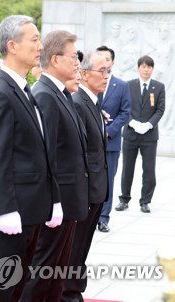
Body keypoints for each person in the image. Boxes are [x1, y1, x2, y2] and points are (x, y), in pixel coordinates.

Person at [0, 15, 59, 302]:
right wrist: (6, 210)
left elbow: (38, 151)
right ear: (13, 45)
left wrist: (53, 199)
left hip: (29, 208)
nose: (40, 46)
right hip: (8, 214)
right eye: (34, 39)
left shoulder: (22, 89)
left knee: (16, 289)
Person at [21, 30, 86, 302]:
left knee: (56, 271)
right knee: (43, 271)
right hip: (56, 201)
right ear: (56, 59)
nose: (77, 63)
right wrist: (55, 202)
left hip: (68, 197)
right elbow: (47, 156)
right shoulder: (45, 94)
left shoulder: (60, 92)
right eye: (73, 57)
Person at [63, 51, 109, 302]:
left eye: (108, 71)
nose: (105, 76)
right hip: (85, 190)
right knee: (74, 246)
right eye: (101, 71)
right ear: (84, 73)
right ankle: (68, 291)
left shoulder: (93, 102)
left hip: (96, 189)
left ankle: (74, 288)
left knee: (82, 246)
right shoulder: (79, 103)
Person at [117, 55, 165, 214]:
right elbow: (124, 106)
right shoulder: (128, 85)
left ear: (152, 69)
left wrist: (149, 124)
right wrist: (132, 123)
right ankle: (124, 199)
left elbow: (160, 109)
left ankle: (145, 201)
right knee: (127, 168)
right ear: (138, 68)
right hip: (131, 133)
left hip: (149, 135)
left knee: (149, 170)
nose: (146, 70)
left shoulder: (159, 87)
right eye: (143, 66)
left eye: (149, 67)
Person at [96, 45, 131, 232]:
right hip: (91, 142)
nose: (104, 62)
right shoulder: (90, 82)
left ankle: (103, 218)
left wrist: (110, 130)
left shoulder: (121, 86)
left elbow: (126, 112)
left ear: (112, 62)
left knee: (108, 180)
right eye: (100, 58)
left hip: (111, 142)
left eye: (107, 59)